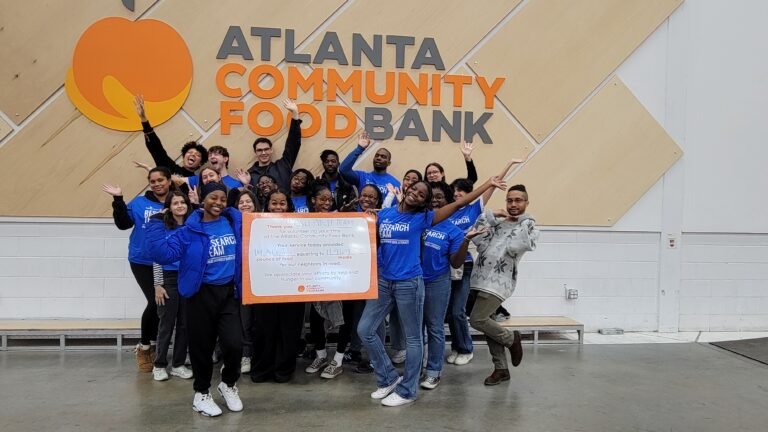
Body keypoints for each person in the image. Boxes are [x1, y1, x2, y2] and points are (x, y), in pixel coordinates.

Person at [357, 175, 505, 407]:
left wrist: (488, 185)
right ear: (407, 189)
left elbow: (458, 204)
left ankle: (407, 391)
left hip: (409, 283)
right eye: (414, 189)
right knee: (364, 329)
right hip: (384, 281)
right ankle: (388, 377)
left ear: (424, 202)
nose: (416, 194)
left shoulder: (424, 218)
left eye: (422, 195)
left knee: (414, 337)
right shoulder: (385, 214)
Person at [146, 182, 244, 417]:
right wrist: (155, 224)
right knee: (202, 348)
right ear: (201, 198)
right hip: (200, 295)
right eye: (213, 198)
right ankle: (201, 393)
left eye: (222, 199)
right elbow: (163, 254)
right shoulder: (188, 231)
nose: (218, 203)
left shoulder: (233, 222)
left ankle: (228, 384)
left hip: (228, 294)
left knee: (235, 344)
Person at [446, 158, 525, 366]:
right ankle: (500, 368)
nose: (457, 195)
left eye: (461, 192)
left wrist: (507, 164)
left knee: (469, 316)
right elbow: (482, 241)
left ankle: (507, 340)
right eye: (454, 192)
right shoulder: (446, 215)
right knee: (474, 318)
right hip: (469, 274)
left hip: (480, 273)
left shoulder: (475, 211)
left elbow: (492, 184)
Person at [102, 167, 172, 373]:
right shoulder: (140, 203)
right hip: (142, 260)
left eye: (161, 180)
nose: (157, 184)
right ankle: (144, 347)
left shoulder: (176, 201)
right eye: (153, 181)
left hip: (168, 260)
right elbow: (123, 224)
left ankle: (153, 345)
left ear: (168, 181)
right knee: (155, 300)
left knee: (164, 304)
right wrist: (118, 199)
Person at [468, 185, 539, 386]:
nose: (513, 204)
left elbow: (515, 247)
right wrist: (490, 216)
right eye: (509, 200)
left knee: (477, 320)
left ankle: (511, 339)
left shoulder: (530, 227)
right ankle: (501, 369)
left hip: (500, 282)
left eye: (518, 200)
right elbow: (478, 239)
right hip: (480, 277)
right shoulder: (497, 223)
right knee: (489, 326)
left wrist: (524, 221)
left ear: (526, 203)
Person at [418, 181, 482, 390]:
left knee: (434, 327)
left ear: (448, 201)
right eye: (432, 197)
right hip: (413, 281)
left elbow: (456, 262)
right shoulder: (419, 220)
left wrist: (465, 241)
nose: (436, 200)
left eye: (440, 197)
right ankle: (416, 368)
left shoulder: (453, 230)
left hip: (437, 283)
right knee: (416, 329)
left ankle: (433, 371)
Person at [249, 190, 307, 383]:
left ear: (289, 206)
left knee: (289, 330)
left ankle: (283, 370)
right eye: (274, 203)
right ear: (267, 205)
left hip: (293, 285)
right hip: (265, 285)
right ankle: (261, 370)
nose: (278, 207)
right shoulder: (256, 225)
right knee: (264, 329)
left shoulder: (301, 227)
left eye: (282, 203)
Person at [150, 191, 194, 382]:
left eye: (182, 202)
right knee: (166, 324)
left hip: (188, 278)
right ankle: (159, 365)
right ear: (169, 207)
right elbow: (157, 259)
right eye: (175, 203)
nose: (179, 206)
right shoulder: (163, 227)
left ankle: (177, 364)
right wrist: (158, 285)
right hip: (168, 279)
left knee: (185, 324)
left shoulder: (193, 227)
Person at [237, 100, 301, 192]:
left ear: (271, 150)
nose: (263, 153)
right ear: (255, 152)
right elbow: (252, 200)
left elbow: (293, 144)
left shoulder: (282, 166)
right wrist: (246, 184)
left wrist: (295, 114)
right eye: (259, 150)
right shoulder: (249, 174)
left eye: (266, 149)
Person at [135, 95, 207, 177]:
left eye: (197, 155)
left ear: (200, 164)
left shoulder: (198, 181)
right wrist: (144, 120)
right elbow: (157, 149)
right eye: (189, 152)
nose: (193, 155)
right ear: (183, 157)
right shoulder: (169, 167)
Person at [236, 190, 259, 374]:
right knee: (239, 322)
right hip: (235, 281)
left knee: (250, 322)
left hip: (257, 280)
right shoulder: (231, 224)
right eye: (241, 202)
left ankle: (249, 354)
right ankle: (241, 354)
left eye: (248, 201)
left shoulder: (262, 222)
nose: (244, 204)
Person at [339, 131, 400, 198]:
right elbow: (343, 170)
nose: (379, 158)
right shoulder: (363, 177)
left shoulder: (395, 183)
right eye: (377, 155)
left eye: (383, 157)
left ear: (389, 163)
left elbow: (396, 207)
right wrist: (359, 148)